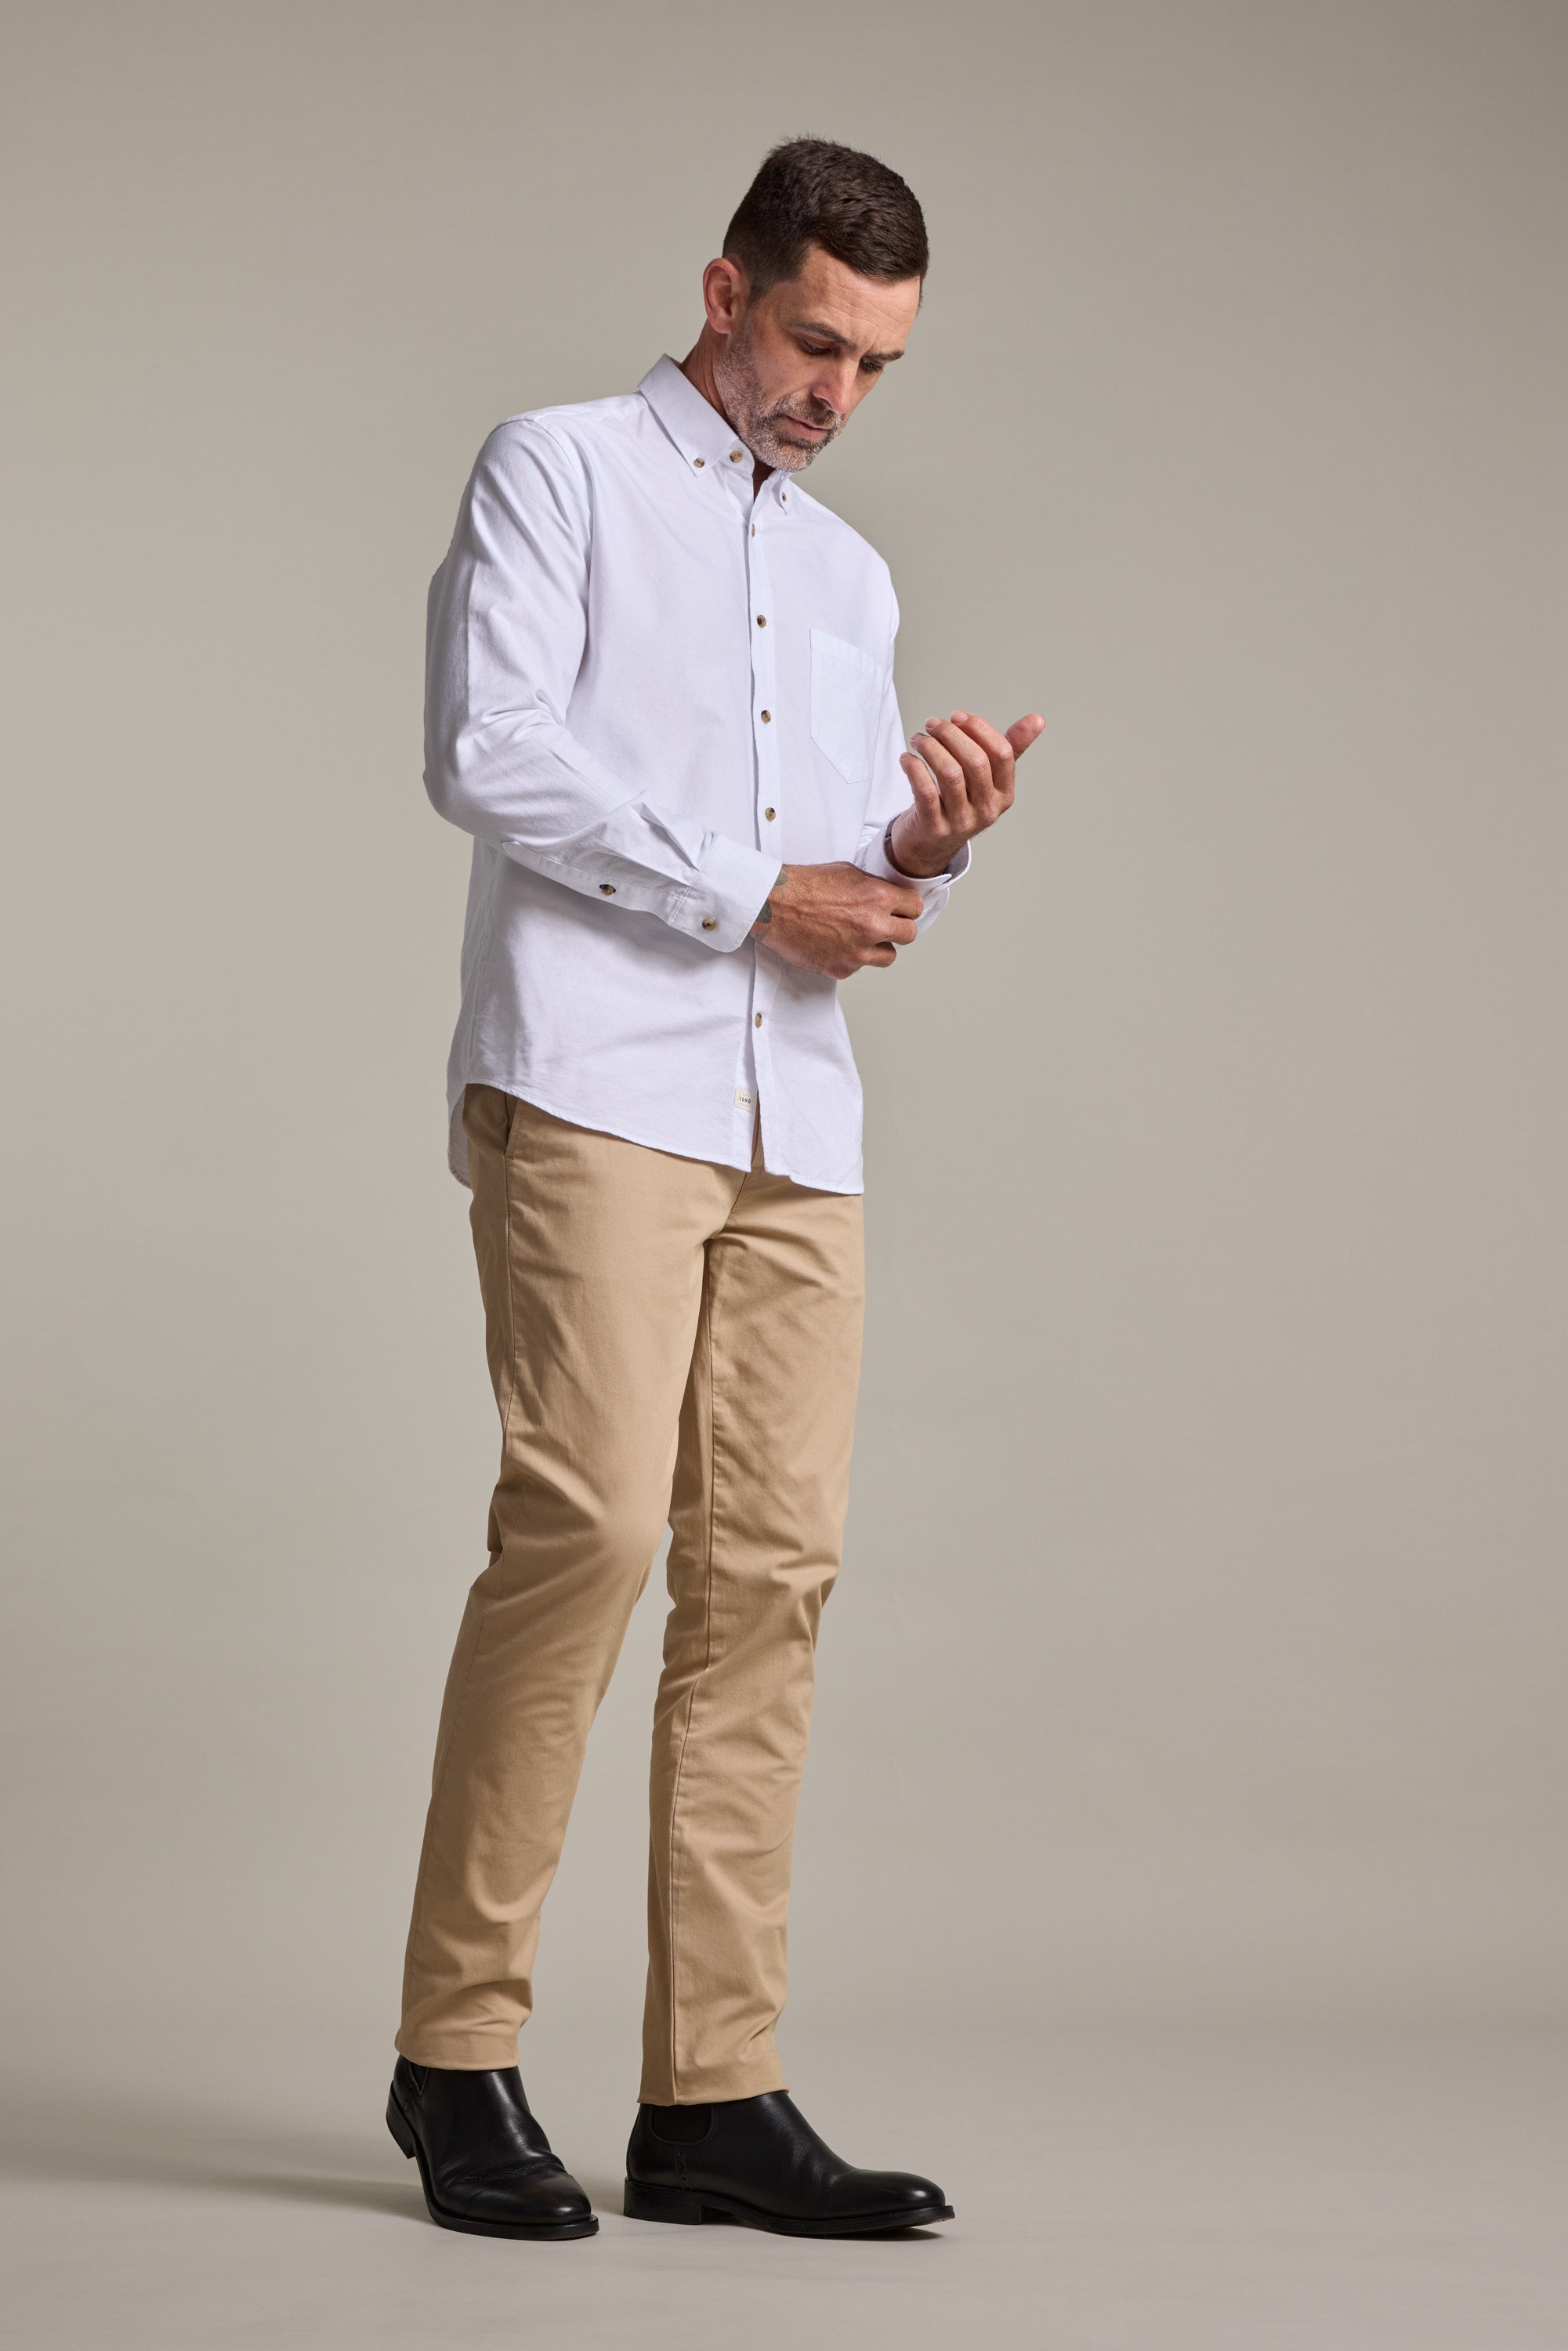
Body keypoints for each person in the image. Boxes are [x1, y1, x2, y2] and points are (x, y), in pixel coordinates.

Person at [386, 136, 1043, 2243]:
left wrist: (921, 845)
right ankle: (455, 2054)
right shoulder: (556, 469)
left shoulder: (846, 578)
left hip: (795, 1126)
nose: (834, 395)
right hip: (591, 1084)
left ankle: (711, 2097)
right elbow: (491, 755)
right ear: (723, 287)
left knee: (771, 1581)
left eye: (874, 365)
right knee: (584, 1529)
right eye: (810, 339)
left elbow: (835, 855)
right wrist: (762, 892)